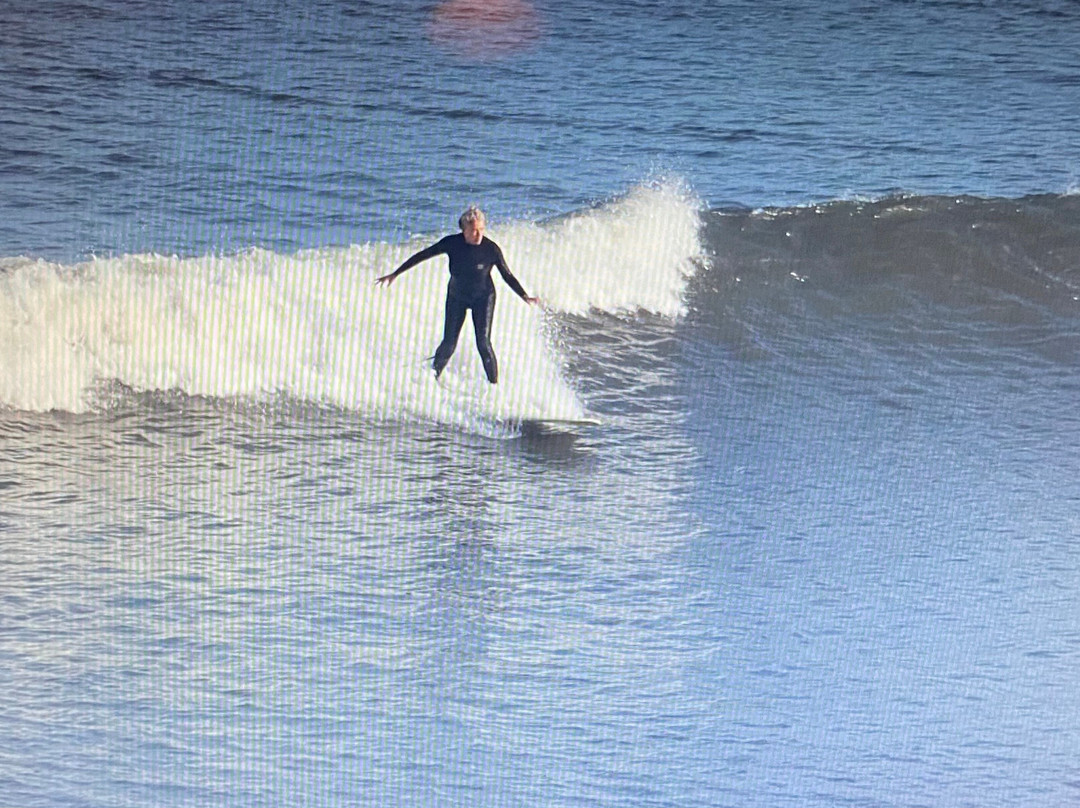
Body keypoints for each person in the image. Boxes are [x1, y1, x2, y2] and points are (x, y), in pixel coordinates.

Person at [376, 206, 539, 384]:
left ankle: (494, 386)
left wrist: (524, 296)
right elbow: (422, 255)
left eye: (481, 230)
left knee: (483, 344)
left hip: (483, 299)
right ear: (463, 230)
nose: (478, 234)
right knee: (448, 343)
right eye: (473, 231)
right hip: (457, 297)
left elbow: (507, 275)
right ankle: (432, 379)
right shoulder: (451, 243)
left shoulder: (491, 249)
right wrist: (395, 274)